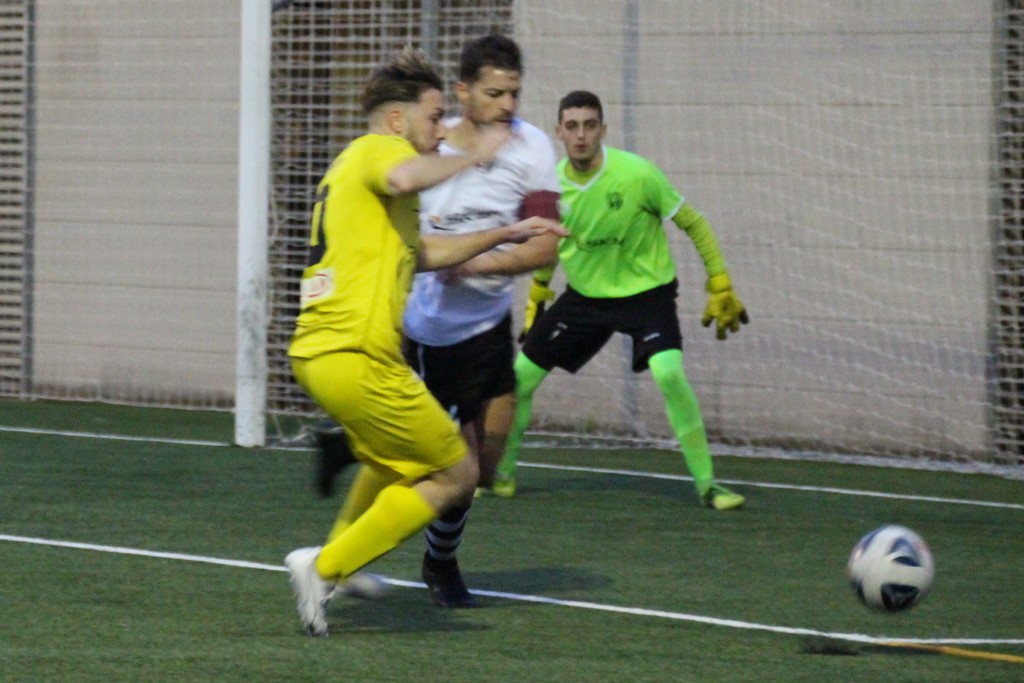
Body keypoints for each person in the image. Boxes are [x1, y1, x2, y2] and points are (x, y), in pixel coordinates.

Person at [283, 47, 566, 637]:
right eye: (435, 118)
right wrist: (475, 155)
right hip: (355, 354)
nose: (442, 131)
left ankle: (343, 560)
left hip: (328, 355)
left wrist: (509, 231)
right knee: (457, 474)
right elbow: (404, 175)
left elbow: (425, 254)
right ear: (397, 119)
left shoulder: (366, 175)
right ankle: (327, 566)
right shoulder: (380, 153)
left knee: (395, 464)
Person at [494, 90, 749, 510]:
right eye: (572, 126)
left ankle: (708, 485)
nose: (581, 135)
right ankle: (501, 476)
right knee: (519, 378)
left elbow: (694, 223)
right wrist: (538, 294)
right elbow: (548, 245)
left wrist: (719, 281)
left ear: (603, 130)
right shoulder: (552, 187)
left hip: (646, 295)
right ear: (559, 132)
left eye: (589, 126)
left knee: (668, 373)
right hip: (585, 299)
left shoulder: (638, 174)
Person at [400, 34, 561, 608]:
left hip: (490, 328)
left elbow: (546, 246)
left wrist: (473, 263)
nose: (508, 105)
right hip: (433, 334)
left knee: (488, 472)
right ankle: (436, 566)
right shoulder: (430, 149)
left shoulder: (533, 146)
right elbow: (408, 245)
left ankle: (358, 452)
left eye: (514, 92)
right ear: (463, 91)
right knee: (460, 473)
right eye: (495, 93)